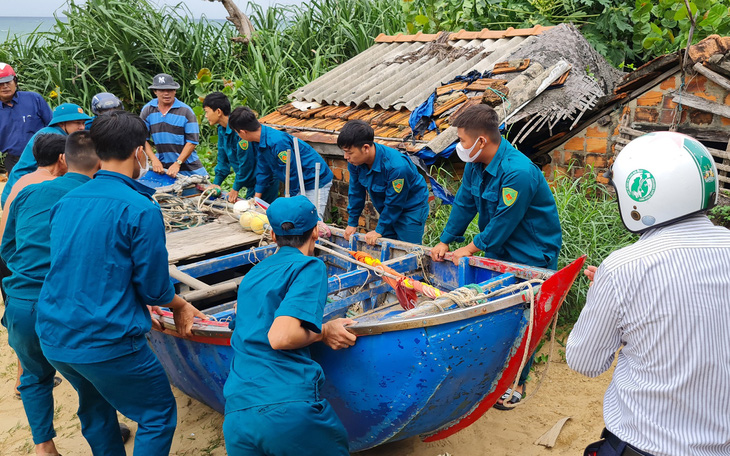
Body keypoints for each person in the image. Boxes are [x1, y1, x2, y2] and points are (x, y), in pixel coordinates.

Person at [35, 111, 207, 456]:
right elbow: (155, 290)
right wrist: (180, 303)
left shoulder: (67, 201)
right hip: (105, 338)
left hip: (54, 335)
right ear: (139, 151)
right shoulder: (139, 208)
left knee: (96, 407)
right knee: (157, 413)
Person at [566, 132, 730, 456]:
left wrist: (609, 296)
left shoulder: (624, 269)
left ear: (638, 197)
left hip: (645, 445)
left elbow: (585, 362)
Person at [430, 104, 562, 408]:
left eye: (462, 140)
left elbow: (504, 220)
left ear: (481, 141)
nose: (460, 147)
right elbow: (464, 203)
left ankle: (517, 383)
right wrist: (447, 240)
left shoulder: (518, 172)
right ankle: (494, 374)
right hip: (499, 250)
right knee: (498, 314)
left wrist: (470, 248)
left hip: (530, 254)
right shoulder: (477, 165)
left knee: (525, 321)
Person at [223, 195, 356, 456]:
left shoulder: (252, 276)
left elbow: (243, 324)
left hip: (237, 415)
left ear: (273, 235)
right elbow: (281, 337)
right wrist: (324, 331)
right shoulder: (309, 266)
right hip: (285, 410)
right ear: (316, 231)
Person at [1, 131, 100, 456]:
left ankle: (44, 446)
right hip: (63, 306)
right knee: (89, 380)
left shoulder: (25, 193)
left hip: (21, 306)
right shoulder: (92, 192)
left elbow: (7, 247)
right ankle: (102, 440)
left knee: (34, 375)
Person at [0, 134, 67, 404]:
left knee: (24, 332)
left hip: (11, 263)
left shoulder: (22, 181)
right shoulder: (53, 186)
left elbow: (8, 238)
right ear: (63, 159)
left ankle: (26, 380)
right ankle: (26, 379)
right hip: (26, 268)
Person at [228, 107, 333, 218]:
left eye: (237, 133)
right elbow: (263, 169)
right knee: (297, 217)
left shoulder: (277, 142)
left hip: (314, 179)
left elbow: (292, 173)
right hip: (298, 181)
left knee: (312, 219)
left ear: (243, 132)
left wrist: (291, 200)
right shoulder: (259, 140)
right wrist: (256, 198)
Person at [339, 119, 429, 245]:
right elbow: (356, 192)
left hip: (410, 209)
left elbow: (394, 203)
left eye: (349, 152)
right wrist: (352, 222)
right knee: (386, 245)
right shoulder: (355, 163)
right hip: (388, 209)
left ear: (365, 148)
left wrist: (379, 229)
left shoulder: (396, 167)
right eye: (344, 152)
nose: (345, 157)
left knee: (407, 250)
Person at [1, 102, 90, 207]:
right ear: (62, 123)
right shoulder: (56, 138)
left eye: (83, 123)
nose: (82, 127)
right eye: (78, 123)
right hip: (20, 194)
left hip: (18, 191)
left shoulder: (51, 133)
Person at [202, 92, 278, 203]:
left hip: (263, 181)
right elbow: (222, 160)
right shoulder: (221, 129)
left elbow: (246, 163)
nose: (205, 116)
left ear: (218, 112)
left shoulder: (239, 130)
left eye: (206, 112)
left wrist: (235, 188)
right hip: (250, 181)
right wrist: (216, 183)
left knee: (259, 214)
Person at [139, 73, 207, 178]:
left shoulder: (186, 111)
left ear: (175, 91)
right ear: (155, 91)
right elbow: (142, 138)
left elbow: (192, 142)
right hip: (162, 167)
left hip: (189, 169)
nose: (166, 93)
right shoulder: (147, 110)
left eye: (170, 90)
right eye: (162, 90)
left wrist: (177, 163)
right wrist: (154, 159)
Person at [0, 62, 52, 175]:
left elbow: (53, 125)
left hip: (42, 158)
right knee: (19, 191)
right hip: (14, 161)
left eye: (8, 82)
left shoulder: (34, 99)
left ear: (15, 81)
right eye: (0, 83)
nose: (5, 86)